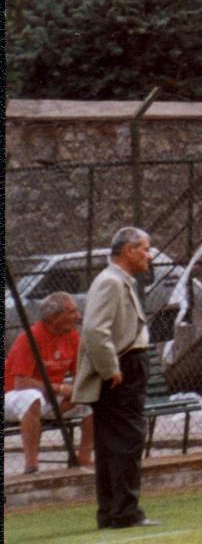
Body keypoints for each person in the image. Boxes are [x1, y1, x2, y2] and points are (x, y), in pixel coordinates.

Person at [76, 226, 153, 530]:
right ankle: (124, 511)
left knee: (111, 442)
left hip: (124, 365)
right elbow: (95, 330)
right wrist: (112, 369)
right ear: (128, 250)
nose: (149, 255)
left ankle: (112, 511)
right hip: (124, 367)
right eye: (145, 248)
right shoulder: (110, 282)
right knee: (126, 440)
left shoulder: (116, 281)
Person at [4, 292, 91, 473]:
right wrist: (60, 389)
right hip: (13, 397)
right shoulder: (31, 337)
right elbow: (21, 383)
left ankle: (84, 458)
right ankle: (31, 465)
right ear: (55, 317)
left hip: (48, 399)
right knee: (32, 397)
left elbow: (80, 375)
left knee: (91, 399)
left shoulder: (73, 336)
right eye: (72, 312)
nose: (78, 316)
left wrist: (77, 393)